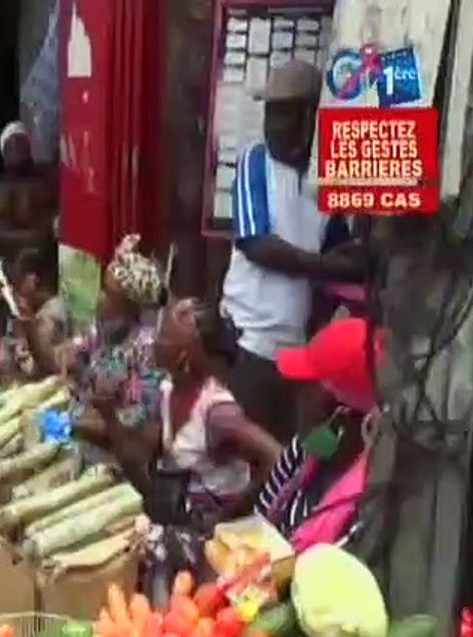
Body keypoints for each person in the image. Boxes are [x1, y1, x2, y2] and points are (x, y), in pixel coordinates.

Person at [222, 60, 365, 442]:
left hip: (298, 354)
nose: (270, 125)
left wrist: (345, 264)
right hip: (248, 342)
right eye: (269, 113)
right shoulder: (256, 163)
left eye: (280, 114)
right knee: (246, 456)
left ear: (308, 119)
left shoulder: (325, 181)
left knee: (283, 455)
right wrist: (321, 266)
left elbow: (345, 256)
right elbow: (257, 244)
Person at [255, 317, 382, 551]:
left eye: (305, 390)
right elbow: (258, 527)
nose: (295, 399)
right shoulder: (301, 451)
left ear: (340, 416)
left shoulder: (366, 505)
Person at [153, 298, 282, 524]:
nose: (155, 341)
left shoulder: (217, 413)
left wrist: (230, 514)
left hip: (222, 533)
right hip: (186, 519)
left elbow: (276, 457)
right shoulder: (169, 388)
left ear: (183, 356)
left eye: (164, 337)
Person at [60, 234, 166, 467]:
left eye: (108, 293)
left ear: (129, 305)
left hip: (117, 463)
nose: (99, 299)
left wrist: (74, 420)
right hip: (82, 442)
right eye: (102, 290)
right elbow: (69, 361)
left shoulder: (147, 353)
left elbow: (140, 435)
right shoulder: (101, 330)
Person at [0, 120, 57, 260]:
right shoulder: (2, 191)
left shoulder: (46, 183)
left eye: (21, 142)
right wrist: (36, 237)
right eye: (11, 144)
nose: (18, 148)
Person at [0, 244, 67, 382]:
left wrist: (26, 332)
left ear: (32, 280)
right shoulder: (32, 311)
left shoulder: (51, 316)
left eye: (17, 283)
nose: (14, 291)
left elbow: (36, 371)